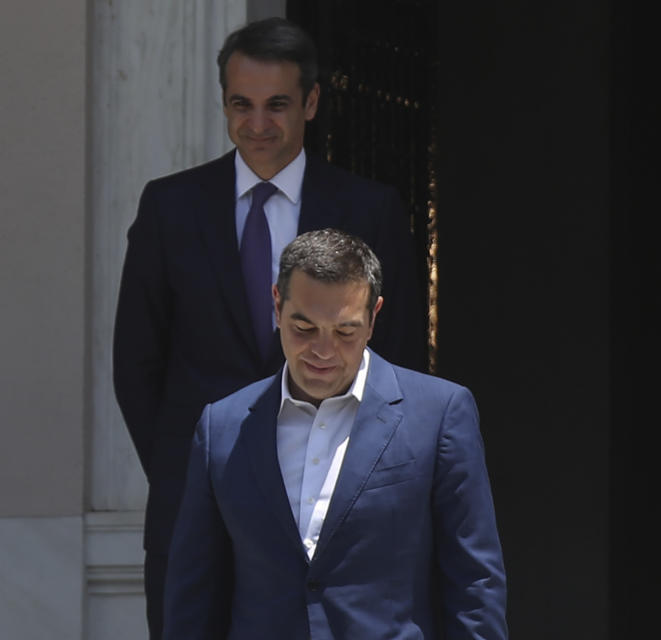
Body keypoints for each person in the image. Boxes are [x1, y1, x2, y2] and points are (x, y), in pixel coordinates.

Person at [112, 17, 427, 638]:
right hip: (197, 510)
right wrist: (193, 470)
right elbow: (137, 364)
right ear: (224, 103)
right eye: (242, 105)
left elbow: (402, 361)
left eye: (277, 105)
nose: (258, 124)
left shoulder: (370, 208)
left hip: (335, 517)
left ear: (310, 102)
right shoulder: (169, 207)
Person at [162, 229, 507, 639]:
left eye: (345, 331)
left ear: (374, 317)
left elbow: (474, 583)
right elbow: (194, 595)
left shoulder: (439, 414)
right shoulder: (222, 426)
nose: (323, 352)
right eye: (304, 328)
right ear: (277, 305)